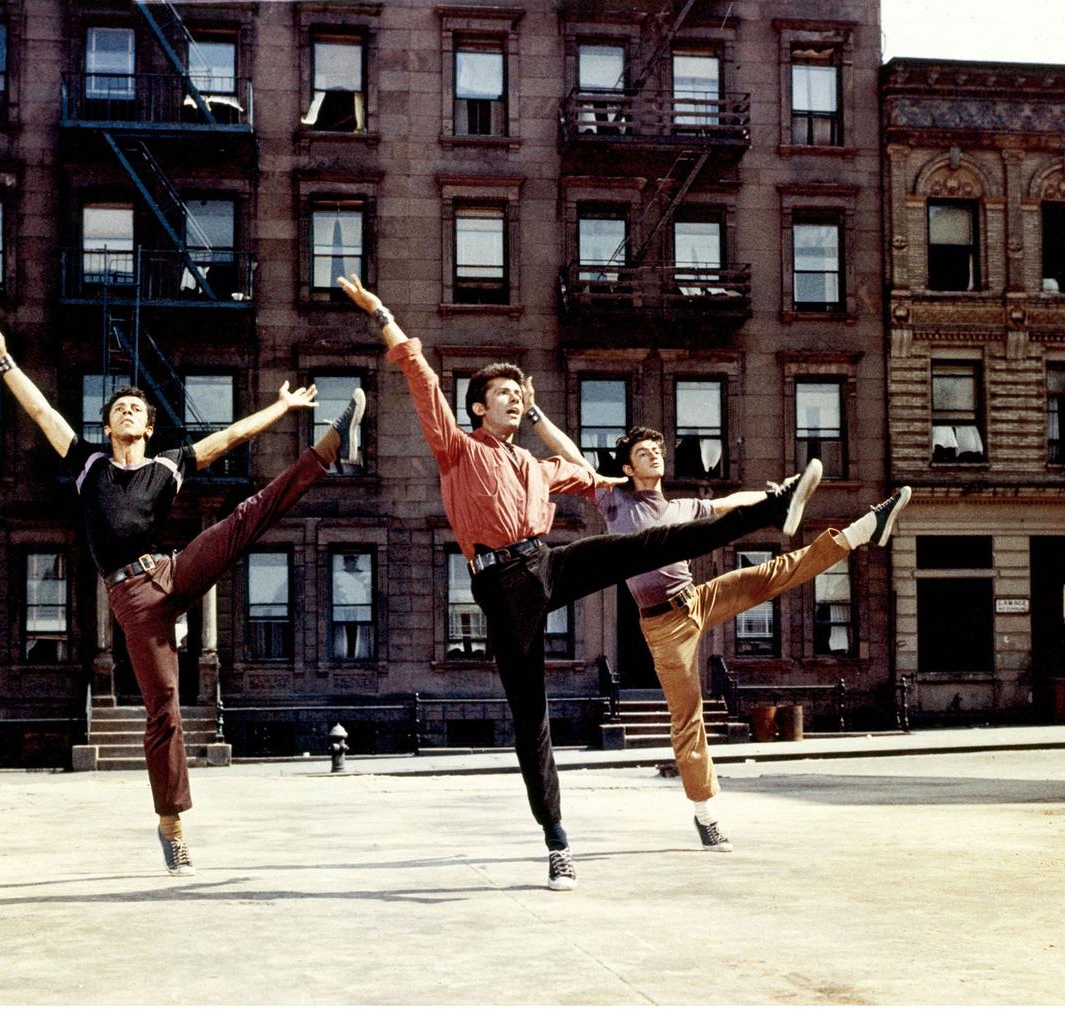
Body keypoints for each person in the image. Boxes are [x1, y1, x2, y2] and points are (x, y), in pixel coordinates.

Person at [335, 274, 821, 890]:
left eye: (519, 393)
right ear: (478, 407)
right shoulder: (457, 449)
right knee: (529, 714)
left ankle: (772, 509)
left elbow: (590, 476)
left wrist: (599, 460)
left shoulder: (538, 468)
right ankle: (557, 840)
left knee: (646, 541)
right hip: (502, 588)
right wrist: (381, 311)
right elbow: (420, 375)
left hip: (547, 565)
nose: (513, 400)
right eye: (503, 394)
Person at [0, 323, 365, 875]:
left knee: (244, 518)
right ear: (107, 425)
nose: (129, 412)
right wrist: (4, 362)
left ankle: (325, 449)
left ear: (150, 427)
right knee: (165, 713)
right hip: (133, 599)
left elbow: (227, 439)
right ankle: (172, 826)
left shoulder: (168, 465)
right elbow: (42, 414)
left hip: (171, 570)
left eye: (138, 408)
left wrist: (281, 408)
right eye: (120, 408)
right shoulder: (88, 465)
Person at [532, 419, 911, 850]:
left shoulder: (684, 508)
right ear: (628, 468)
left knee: (771, 574)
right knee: (688, 716)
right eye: (643, 453)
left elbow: (731, 503)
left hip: (696, 600)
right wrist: (536, 418)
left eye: (657, 450)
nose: (655, 455)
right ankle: (706, 814)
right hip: (662, 626)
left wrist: (776, 497)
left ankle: (860, 532)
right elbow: (573, 457)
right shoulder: (615, 501)